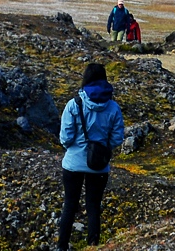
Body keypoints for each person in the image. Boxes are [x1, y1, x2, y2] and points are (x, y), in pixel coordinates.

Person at [58, 62, 125, 251]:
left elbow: (65, 137)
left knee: (70, 205)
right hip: (100, 165)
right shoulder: (113, 107)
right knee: (94, 205)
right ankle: (93, 245)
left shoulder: (73, 104)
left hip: (72, 164)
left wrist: (75, 148)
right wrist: (102, 148)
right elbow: (117, 137)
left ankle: (61, 246)